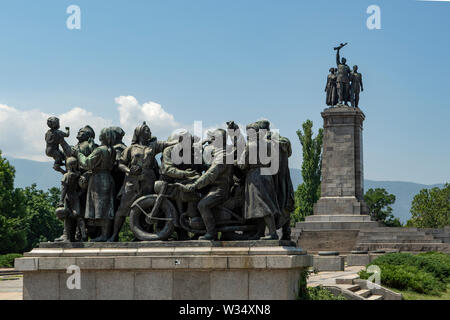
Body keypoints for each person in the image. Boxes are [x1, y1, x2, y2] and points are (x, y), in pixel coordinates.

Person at [108, 122, 176, 242]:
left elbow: (168, 143)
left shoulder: (153, 146)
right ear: (139, 133)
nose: (149, 132)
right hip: (132, 180)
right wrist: (129, 171)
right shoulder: (131, 148)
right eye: (146, 130)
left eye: (149, 130)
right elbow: (121, 164)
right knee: (123, 208)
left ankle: (142, 236)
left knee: (148, 206)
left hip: (148, 178)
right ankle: (114, 235)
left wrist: (181, 140)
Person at [178, 129, 234, 240]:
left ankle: (211, 233)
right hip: (213, 187)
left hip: (220, 189)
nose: (211, 141)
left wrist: (195, 185)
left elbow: (210, 174)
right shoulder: (218, 154)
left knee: (202, 205)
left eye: (213, 139)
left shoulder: (222, 156)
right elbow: (208, 169)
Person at [238, 122, 281, 240]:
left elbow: (242, 165)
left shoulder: (250, 145)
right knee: (260, 205)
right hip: (267, 175)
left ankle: (273, 233)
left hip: (255, 176)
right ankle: (260, 232)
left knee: (262, 204)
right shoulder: (268, 144)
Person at [74, 127, 116, 242]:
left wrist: (78, 154)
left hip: (98, 180)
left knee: (101, 208)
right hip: (108, 178)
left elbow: (87, 163)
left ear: (101, 137)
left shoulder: (100, 150)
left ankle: (103, 235)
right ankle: (105, 234)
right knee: (107, 208)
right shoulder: (111, 149)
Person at [54, 157, 87, 242]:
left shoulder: (66, 176)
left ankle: (67, 236)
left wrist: (61, 200)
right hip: (76, 197)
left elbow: (64, 189)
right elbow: (83, 187)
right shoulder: (79, 174)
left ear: (68, 165)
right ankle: (83, 235)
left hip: (68, 198)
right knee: (78, 216)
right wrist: (79, 194)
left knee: (67, 217)